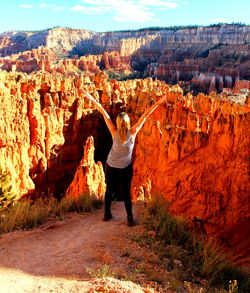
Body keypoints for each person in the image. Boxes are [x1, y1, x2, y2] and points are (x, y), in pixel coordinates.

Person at [84, 90, 167, 226]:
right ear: (128, 122)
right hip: (125, 167)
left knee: (109, 189)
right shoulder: (133, 132)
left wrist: (91, 98)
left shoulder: (113, 130)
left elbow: (103, 112)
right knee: (126, 192)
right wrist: (159, 102)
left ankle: (106, 214)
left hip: (111, 165)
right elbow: (145, 115)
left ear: (118, 122)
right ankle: (129, 217)